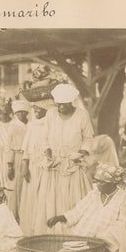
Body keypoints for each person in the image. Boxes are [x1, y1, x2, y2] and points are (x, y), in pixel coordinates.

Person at [46, 163, 126, 252]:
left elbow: (122, 224)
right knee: (63, 235)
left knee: (84, 250)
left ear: (112, 183)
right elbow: (78, 211)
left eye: (102, 182)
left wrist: (101, 237)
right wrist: (60, 217)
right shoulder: (93, 194)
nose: (97, 185)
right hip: (83, 231)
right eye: (96, 181)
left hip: (105, 237)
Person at [35, 83, 97, 235]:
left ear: (72, 102)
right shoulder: (50, 114)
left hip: (73, 163)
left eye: (65, 104)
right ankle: (53, 232)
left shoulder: (82, 115)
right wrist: (48, 151)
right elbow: (44, 137)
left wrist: (81, 152)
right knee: (52, 197)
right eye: (59, 104)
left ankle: (73, 232)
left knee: (74, 198)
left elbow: (88, 138)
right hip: (54, 164)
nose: (61, 107)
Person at [18, 100, 49, 236]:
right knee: (31, 196)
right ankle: (29, 229)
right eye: (34, 107)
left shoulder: (51, 124)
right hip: (33, 166)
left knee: (44, 196)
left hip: (46, 167)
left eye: (39, 107)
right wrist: (25, 164)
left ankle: (42, 228)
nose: (35, 109)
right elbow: (26, 148)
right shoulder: (31, 125)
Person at [0, 96, 18, 215]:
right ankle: (0, 209)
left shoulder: (14, 123)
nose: (3, 111)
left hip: (12, 155)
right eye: (1, 108)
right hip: (0, 156)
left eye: (6, 108)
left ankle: (12, 210)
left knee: (12, 180)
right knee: (0, 181)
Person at [6, 100, 29, 219]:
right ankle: (14, 215)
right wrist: (10, 165)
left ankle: (26, 213)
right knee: (16, 186)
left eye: (23, 113)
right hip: (17, 157)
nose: (21, 115)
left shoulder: (29, 125)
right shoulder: (13, 127)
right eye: (19, 113)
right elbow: (9, 147)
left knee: (27, 185)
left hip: (29, 157)